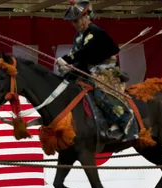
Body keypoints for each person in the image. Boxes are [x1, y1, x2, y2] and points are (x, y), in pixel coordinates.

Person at [55, 0, 132, 142]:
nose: (74, 24)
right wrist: (67, 67)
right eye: (72, 22)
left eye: (76, 21)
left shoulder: (97, 33)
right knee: (65, 84)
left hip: (105, 72)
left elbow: (85, 53)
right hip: (86, 70)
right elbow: (79, 57)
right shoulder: (77, 37)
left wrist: (67, 60)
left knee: (100, 92)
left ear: (85, 18)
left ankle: (122, 121)